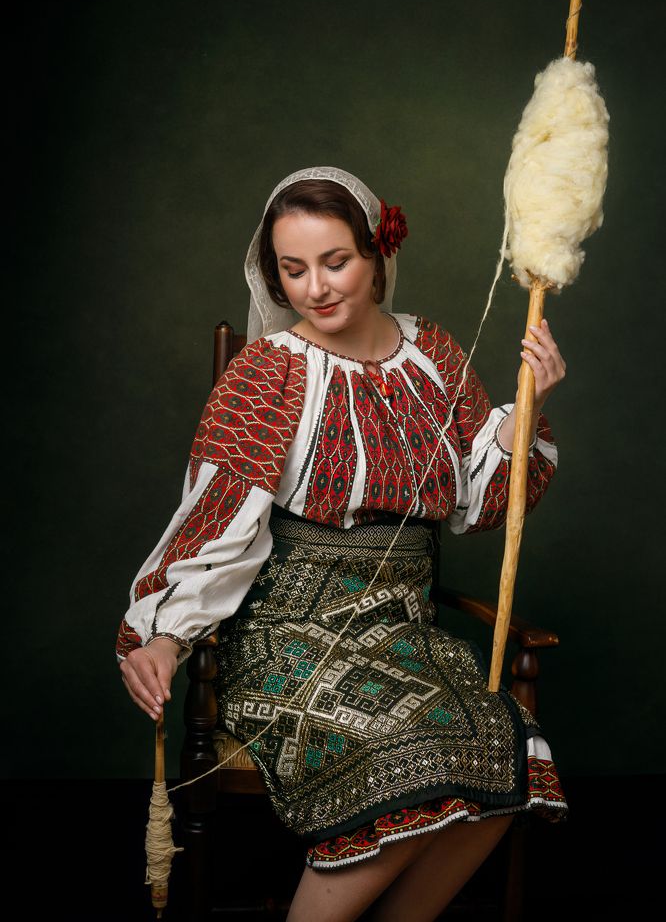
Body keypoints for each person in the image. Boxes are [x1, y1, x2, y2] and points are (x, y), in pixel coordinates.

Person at [117, 166, 568, 921]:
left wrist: (530, 408)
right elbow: (216, 520)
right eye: (294, 269)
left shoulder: (435, 354)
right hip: (288, 636)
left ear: (376, 257)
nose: (316, 288)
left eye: (336, 262)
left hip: (404, 633)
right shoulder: (268, 373)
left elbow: (481, 504)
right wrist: (166, 634)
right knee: (412, 744)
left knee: (505, 746)